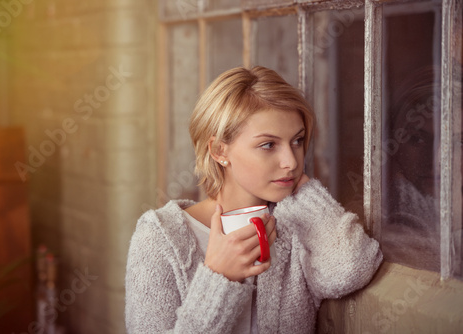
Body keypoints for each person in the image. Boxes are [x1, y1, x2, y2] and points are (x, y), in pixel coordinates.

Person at [125, 66, 383, 333]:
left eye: (297, 141)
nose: (292, 162)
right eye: (268, 145)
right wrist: (218, 278)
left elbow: (350, 270)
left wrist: (306, 194)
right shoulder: (160, 238)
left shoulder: (297, 226)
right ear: (219, 150)